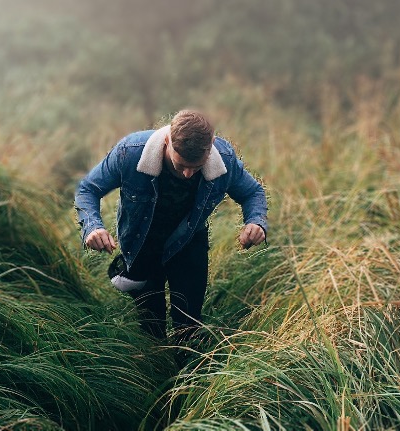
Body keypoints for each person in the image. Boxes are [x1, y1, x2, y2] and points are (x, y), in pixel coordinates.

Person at [74, 109, 268, 342]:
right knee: (151, 325)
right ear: (167, 141)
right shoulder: (130, 153)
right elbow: (88, 189)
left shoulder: (224, 159)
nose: (188, 174)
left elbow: (252, 193)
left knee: (188, 324)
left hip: (189, 244)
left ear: (211, 145)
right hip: (142, 245)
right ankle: (155, 366)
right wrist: (93, 227)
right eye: (181, 165)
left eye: (196, 167)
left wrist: (255, 222)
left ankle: (187, 371)